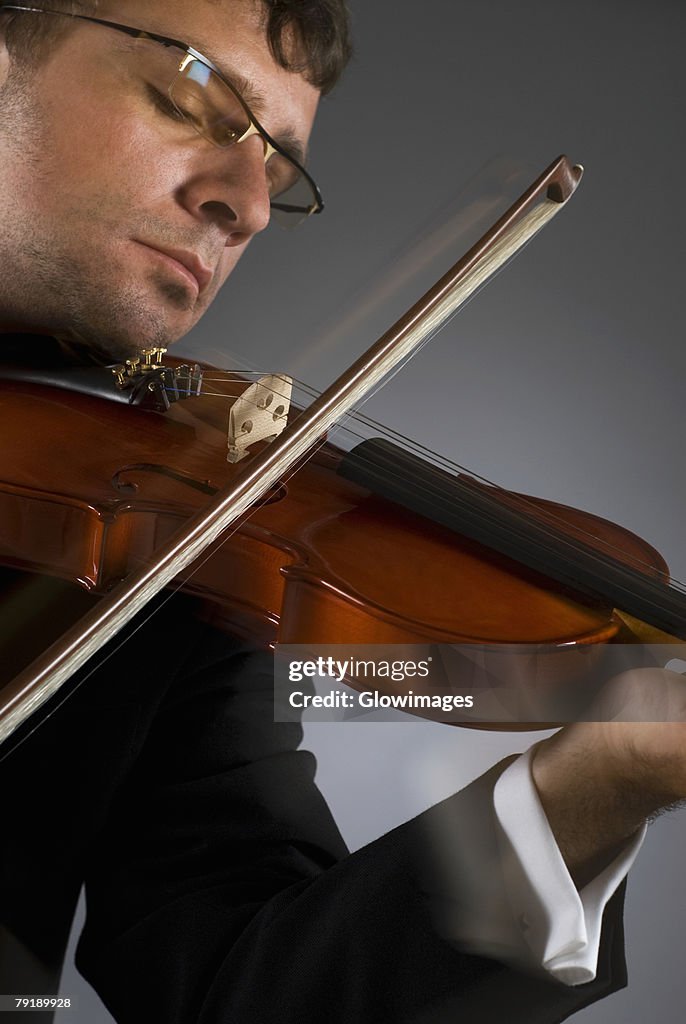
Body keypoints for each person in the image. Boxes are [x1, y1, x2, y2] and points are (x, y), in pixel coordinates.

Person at [0, 2, 685, 1022]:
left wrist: (591, 786)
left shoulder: (173, 556)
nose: (247, 204)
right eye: (195, 102)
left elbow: (255, 993)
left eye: (277, 173)